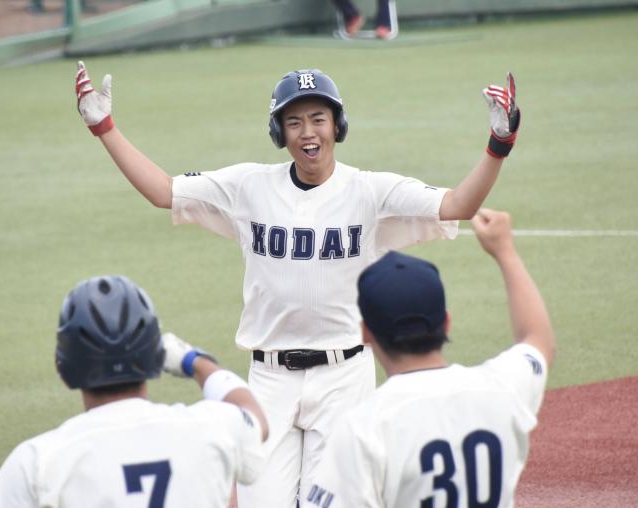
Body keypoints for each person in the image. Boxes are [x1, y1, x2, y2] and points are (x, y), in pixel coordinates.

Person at [73, 63, 521, 507]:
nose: (308, 133)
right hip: (269, 377)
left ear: (337, 125)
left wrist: (498, 144)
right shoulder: (249, 186)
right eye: (294, 122)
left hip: (344, 376)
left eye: (318, 119)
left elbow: (457, 205)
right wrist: (104, 127)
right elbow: (165, 191)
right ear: (279, 132)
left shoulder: (371, 191)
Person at [303, 208, 556, 508]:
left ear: (365, 333)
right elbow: (538, 341)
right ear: (446, 322)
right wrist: (505, 251)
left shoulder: (365, 427)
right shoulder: (501, 388)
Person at [0, 275, 268, 507]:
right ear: (156, 356)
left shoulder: (40, 461)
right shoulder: (208, 428)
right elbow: (254, 418)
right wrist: (193, 360)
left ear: (63, 368)